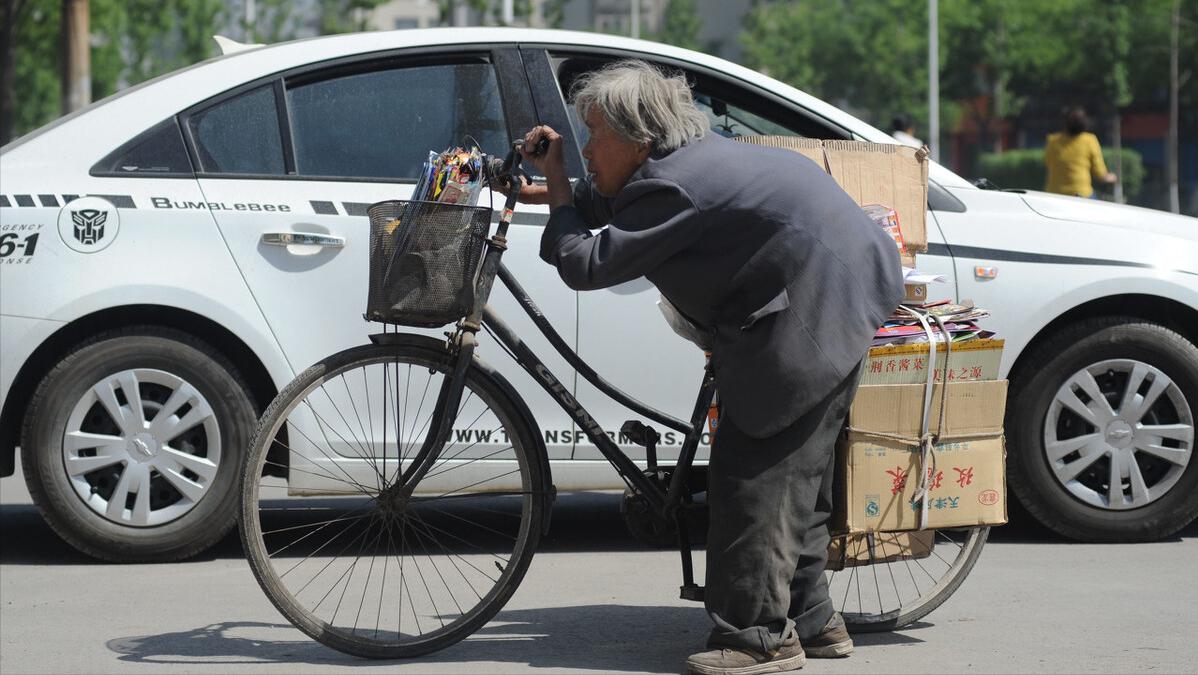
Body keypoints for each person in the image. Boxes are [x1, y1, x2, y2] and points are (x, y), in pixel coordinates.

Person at [505, 60, 903, 675]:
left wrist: (558, 185)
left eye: (594, 138)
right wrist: (557, 192)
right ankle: (817, 623)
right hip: (839, 287)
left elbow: (587, 265)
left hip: (813, 309)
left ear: (638, 140)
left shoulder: (674, 185)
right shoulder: (681, 162)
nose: (585, 151)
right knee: (799, 477)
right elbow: (620, 199)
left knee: (756, 478)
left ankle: (754, 640)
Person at [1044, 107, 1117, 198]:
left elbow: (1047, 162)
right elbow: (1100, 174)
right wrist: (1111, 177)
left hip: (1055, 194)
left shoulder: (1052, 140)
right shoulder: (1090, 140)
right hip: (1081, 194)